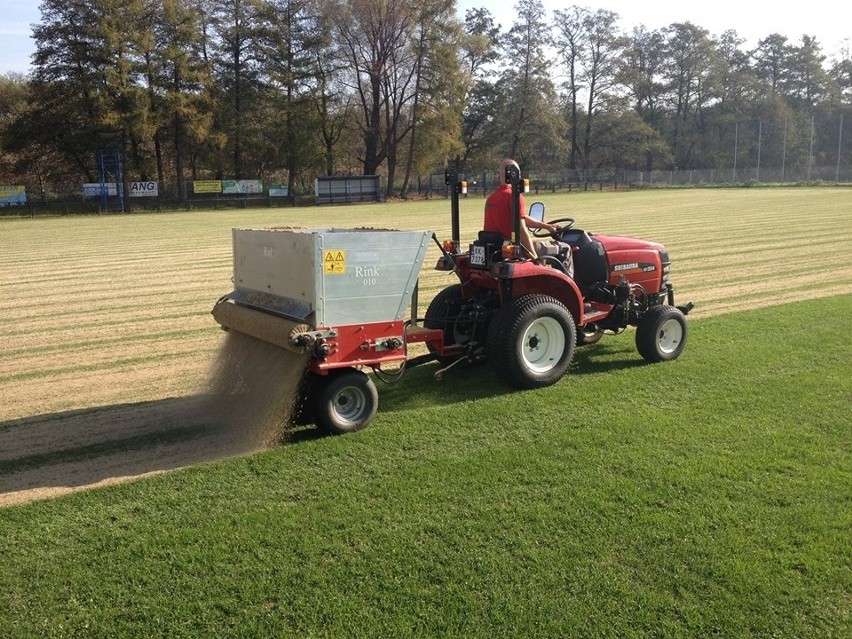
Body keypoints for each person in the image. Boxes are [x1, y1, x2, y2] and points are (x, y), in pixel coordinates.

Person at [483, 158, 573, 276]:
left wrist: (546, 226)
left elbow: (521, 217)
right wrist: (535, 258)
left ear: (499, 177)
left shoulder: (491, 199)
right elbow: (521, 229)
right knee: (565, 248)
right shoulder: (514, 196)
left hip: (497, 248)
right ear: (517, 175)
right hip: (514, 248)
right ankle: (566, 291)